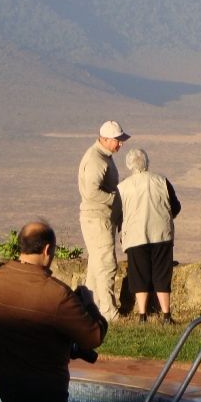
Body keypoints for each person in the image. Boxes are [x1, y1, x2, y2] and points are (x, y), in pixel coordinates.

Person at [0, 220, 108, 402]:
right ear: (47, 249)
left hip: (9, 386)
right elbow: (93, 336)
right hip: (46, 391)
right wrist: (89, 304)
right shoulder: (57, 294)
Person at [118, 147, 182, 324]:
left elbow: (118, 213)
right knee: (162, 274)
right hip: (161, 234)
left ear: (129, 164)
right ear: (147, 162)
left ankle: (142, 315)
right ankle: (167, 315)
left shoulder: (123, 187)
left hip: (135, 235)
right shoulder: (162, 181)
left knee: (139, 274)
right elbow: (175, 207)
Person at [77, 119, 129, 321]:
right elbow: (92, 193)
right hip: (98, 218)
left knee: (96, 265)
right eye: (117, 140)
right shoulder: (96, 160)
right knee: (106, 264)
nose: (121, 144)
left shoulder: (104, 156)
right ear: (106, 139)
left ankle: (89, 309)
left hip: (100, 218)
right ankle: (109, 312)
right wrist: (115, 200)